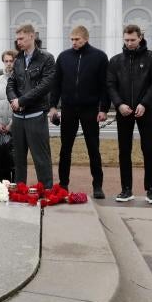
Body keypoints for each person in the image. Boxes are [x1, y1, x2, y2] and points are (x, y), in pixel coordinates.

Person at [49, 26, 109, 199]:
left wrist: (103, 109)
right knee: (65, 149)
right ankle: (63, 184)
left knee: (93, 148)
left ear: (86, 38)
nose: (74, 42)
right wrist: (52, 106)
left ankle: (97, 185)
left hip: (90, 109)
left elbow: (105, 85)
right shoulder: (63, 57)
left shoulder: (99, 57)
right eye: (72, 39)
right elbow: (56, 83)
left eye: (77, 39)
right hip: (68, 108)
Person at [107, 24, 152, 205]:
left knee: (148, 150)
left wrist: (144, 103)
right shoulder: (116, 61)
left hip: (145, 111)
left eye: (132, 40)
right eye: (126, 40)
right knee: (124, 151)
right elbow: (110, 85)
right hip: (124, 112)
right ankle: (126, 189)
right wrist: (119, 104)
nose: (129, 43)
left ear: (140, 38)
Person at [7, 24, 55, 188]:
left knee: (41, 158)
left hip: (36, 115)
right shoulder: (18, 59)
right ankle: (19, 190)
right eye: (17, 39)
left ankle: (46, 190)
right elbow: (11, 83)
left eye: (21, 38)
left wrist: (22, 101)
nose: (18, 42)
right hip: (18, 117)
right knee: (18, 159)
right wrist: (14, 100)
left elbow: (44, 86)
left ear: (32, 36)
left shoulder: (46, 58)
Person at [0, 50, 17, 181]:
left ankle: (17, 187)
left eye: (11, 61)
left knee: (17, 162)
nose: (8, 64)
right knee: (2, 163)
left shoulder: (21, 80)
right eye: (6, 61)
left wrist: (12, 123)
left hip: (16, 127)